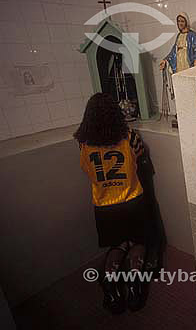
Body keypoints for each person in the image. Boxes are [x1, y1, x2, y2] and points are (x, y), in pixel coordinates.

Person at [74, 93, 153, 314]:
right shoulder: (130, 136)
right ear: (115, 113)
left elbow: (85, 169)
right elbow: (141, 156)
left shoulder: (82, 143)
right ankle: (135, 284)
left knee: (117, 245)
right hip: (132, 200)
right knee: (138, 242)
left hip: (104, 205)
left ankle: (111, 285)